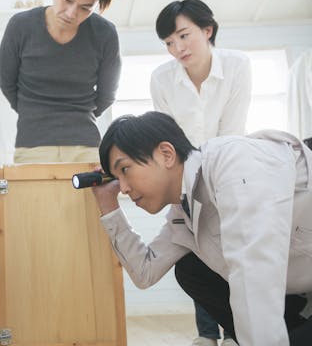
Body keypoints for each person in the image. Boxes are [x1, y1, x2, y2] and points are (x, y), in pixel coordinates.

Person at [92, 111, 312, 346]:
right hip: (299, 298)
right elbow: (145, 272)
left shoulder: (234, 162)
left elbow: (254, 271)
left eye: (125, 169)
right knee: (190, 269)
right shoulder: (183, 212)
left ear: (166, 154)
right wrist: (109, 204)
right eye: (116, 178)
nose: (122, 188)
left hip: (292, 290)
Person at [149, 0, 252, 345]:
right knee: (197, 251)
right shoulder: (161, 79)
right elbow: (167, 136)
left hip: (230, 168)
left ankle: (236, 333)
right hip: (184, 175)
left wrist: (217, 181)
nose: (177, 48)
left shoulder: (238, 66)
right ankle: (207, 334)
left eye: (183, 36)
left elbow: (233, 130)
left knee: (230, 253)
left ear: (207, 30)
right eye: (168, 43)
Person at [0, 0, 121, 163]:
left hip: (85, 145)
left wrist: (76, 118)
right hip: (32, 144)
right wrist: (34, 113)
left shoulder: (105, 34)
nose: (71, 13)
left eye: (85, 8)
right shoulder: (21, 26)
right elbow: (7, 84)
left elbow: (107, 95)